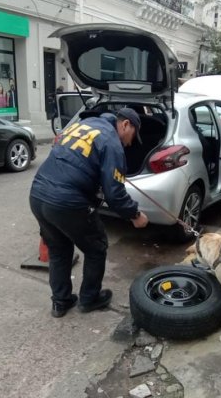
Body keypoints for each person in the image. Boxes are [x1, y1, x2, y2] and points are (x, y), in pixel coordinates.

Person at [29, 108, 149, 318]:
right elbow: (115, 195)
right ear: (126, 125)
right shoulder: (112, 143)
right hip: (67, 201)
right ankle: (90, 298)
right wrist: (136, 215)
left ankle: (61, 302)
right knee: (96, 247)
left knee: (58, 249)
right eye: (132, 136)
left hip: (38, 194)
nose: (130, 143)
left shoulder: (85, 125)